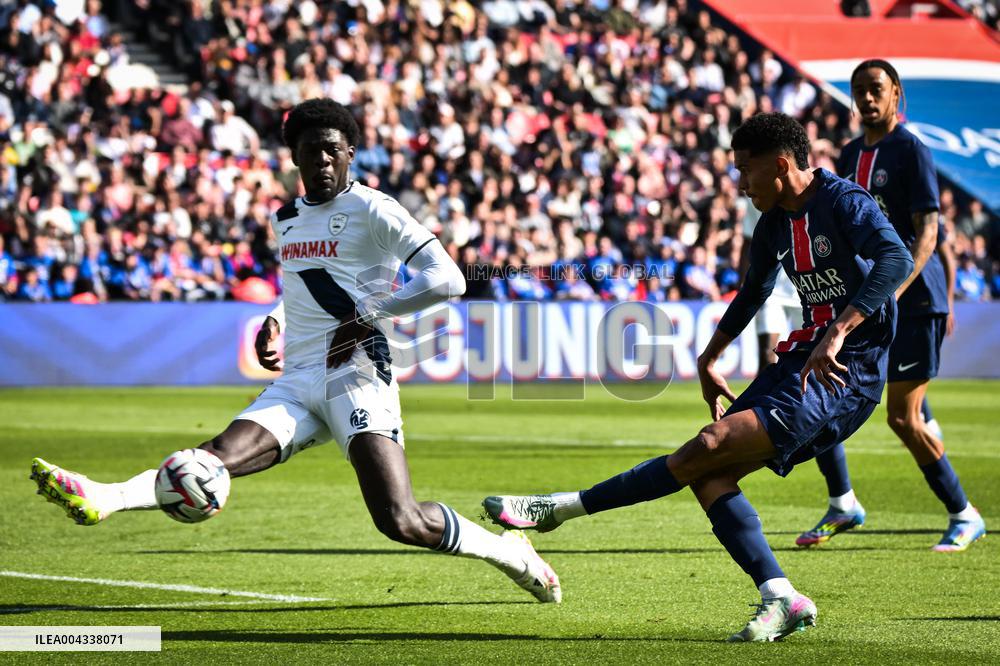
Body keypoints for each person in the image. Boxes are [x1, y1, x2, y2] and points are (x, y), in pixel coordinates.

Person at [30, 98, 561, 604]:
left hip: (357, 374)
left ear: (351, 153)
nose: (324, 159)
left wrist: (366, 317)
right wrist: (275, 319)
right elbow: (304, 284)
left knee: (399, 519)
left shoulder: (375, 208)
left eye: (334, 149)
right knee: (212, 458)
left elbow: (448, 280)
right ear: (295, 158)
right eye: (312, 151)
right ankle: (106, 498)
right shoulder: (288, 217)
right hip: (300, 373)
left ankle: (507, 551)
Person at [482, 113, 914, 642]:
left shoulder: (845, 202)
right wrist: (711, 357)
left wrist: (841, 329)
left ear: (780, 166)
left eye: (744, 171)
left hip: (848, 370)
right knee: (707, 473)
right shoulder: (776, 222)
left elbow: (897, 258)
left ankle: (558, 509)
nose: (739, 183)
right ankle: (781, 597)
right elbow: (753, 291)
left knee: (708, 444)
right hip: (804, 360)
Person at [797, 59, 985, 551]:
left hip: (913, 300)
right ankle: (842, 503)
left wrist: (896, 288)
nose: (866, 98)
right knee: (824, 388)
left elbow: (928, 232)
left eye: (875, 88)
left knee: (902, 417)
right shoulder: (850, 152)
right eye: (858, 90)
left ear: (896, 93)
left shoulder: (911, 150)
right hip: (869, 299)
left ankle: (964, 513)